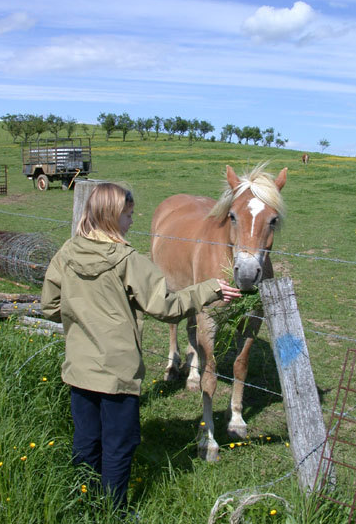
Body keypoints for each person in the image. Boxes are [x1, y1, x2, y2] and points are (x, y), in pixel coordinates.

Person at [41, 182, 241, 516]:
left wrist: (84, 313)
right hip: (117, 374)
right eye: (128, 215)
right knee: (120, 445)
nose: (133, 222)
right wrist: (209, 289)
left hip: (78, 369)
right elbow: (166, 306)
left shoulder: (67, 253)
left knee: (86, 441)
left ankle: (82, 504)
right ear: (110, 217)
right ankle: (114, 512)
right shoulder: (127, 260)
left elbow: (50, 305)